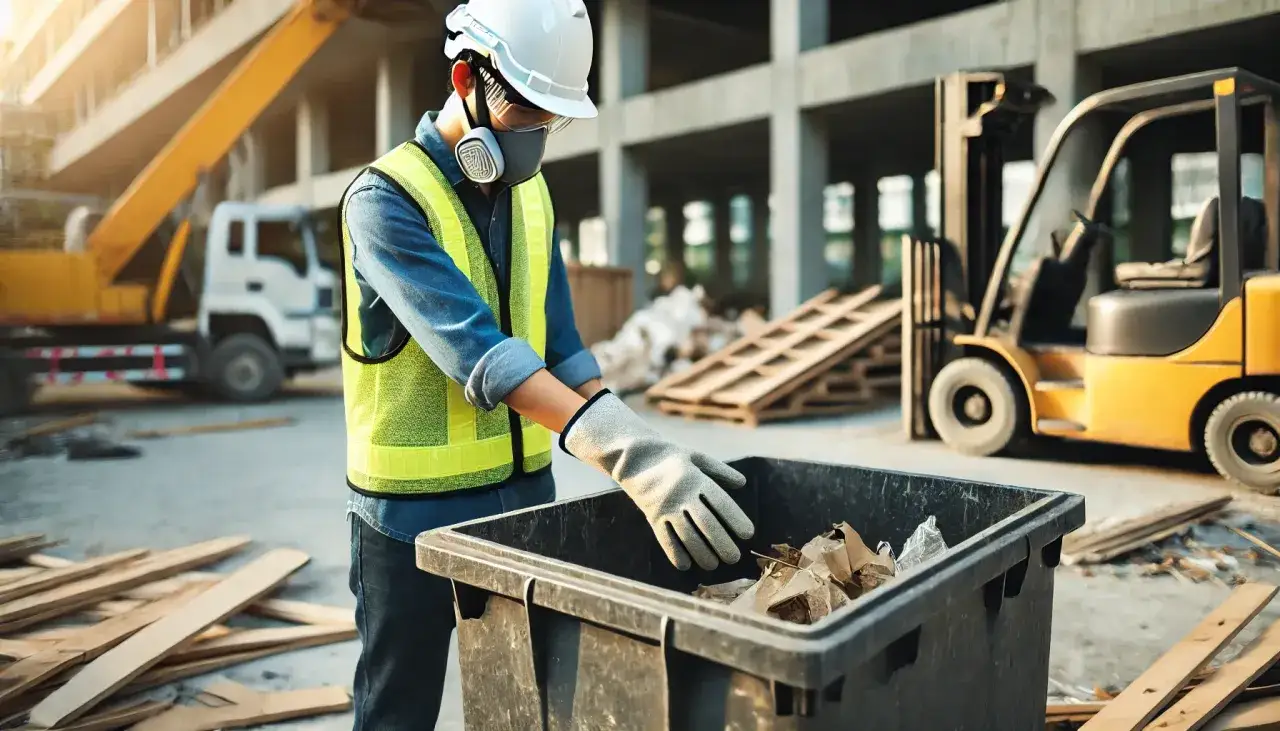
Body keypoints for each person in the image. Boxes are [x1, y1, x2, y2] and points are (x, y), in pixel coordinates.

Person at [338, 0, 756, 727]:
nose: (536, 137)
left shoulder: (529, 196)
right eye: (526, 112)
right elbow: (480, 354)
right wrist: (623, 452)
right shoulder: (384, 200)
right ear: (464, 76)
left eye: (550, 120)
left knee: (520, 707)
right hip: (410, 527)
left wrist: (644, 448)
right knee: (397, 711)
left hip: (521, 510)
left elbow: (561, 346)